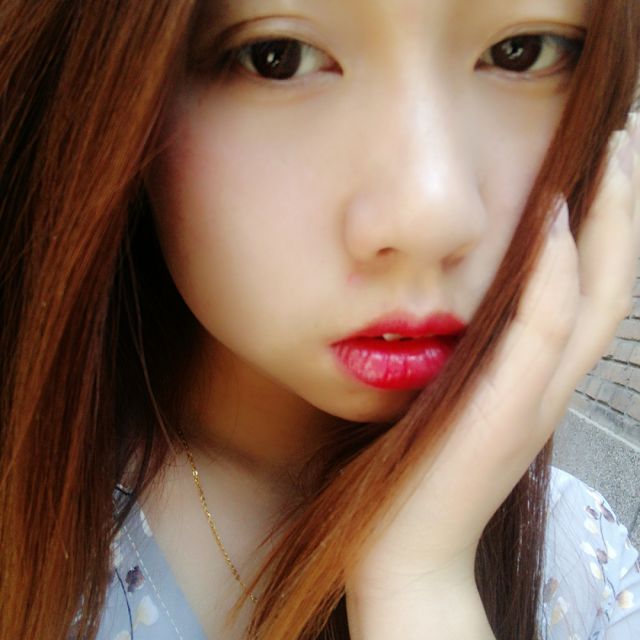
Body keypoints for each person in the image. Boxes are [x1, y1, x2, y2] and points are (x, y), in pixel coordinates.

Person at [1, 1, 639, 638]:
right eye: (277, 58)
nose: (431, 215)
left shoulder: (589, 569)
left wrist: (419, 587)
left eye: (520, 52)